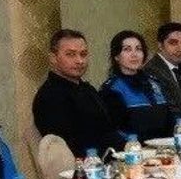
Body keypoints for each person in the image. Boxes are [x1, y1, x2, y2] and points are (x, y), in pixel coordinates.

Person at [33, 29, 127, 157]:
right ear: (53, 58)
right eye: (70, 54)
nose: (79, 61)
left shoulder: (86, 89)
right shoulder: (50, 96)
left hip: (116, 156)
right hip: (89, 164)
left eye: (83, 54)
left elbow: (108, 128)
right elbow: (69, 148)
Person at [99, 31, 177, 142]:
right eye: (127, 49)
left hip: (165, 147)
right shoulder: (112, 89)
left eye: (138, 49)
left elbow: (170, 119)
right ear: (116, 56)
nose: (134, 54)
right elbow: (113, 130)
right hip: (134, 148)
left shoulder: (155, 83)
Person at [144, 22, 181, 120]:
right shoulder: (152, 71)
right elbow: (169, 110)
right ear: (160, 45)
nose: (180, 49)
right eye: (173, 43)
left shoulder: (174, 69)